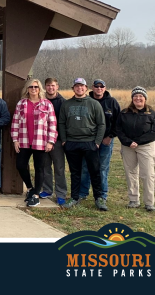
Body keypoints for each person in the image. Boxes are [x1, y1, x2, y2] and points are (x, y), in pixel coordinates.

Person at [58, 78, 107, 211]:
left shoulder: (94, 104)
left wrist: (97, 142)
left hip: (89, 142)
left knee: (94, 171)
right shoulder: (66, 105)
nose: (79, 88)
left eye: (82, 86)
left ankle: (99, 198)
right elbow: (61, 123)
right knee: (75, 172)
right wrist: (64, 140)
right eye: (77, 86)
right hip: (72, 143)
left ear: (86, 88)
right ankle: (75, 197)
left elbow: (101, 124)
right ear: (73, 88)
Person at [10, 79, 57, 207]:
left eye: (36, 87)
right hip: (24, 141)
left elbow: (52, 124)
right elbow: (15, 123)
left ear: (39, 88)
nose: (33, 89)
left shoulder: (47, 104)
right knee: (20, 165)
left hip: (40, 142)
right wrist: (15, 139)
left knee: (39, 168)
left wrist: (50, 141)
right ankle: (30, 188)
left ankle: (36, 195)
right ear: (27, 89)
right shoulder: (21, 103)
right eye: (31, 87)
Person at [115, 87, 155, 212]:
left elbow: (154, 132)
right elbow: (118, 129)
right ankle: (134, 199)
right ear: (132, 99)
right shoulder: (124, 113)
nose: (138, 99)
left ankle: (149, 202)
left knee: (148, 174)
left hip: (146, 146)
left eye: (141, 96)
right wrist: (128, 142)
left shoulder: (152, 113)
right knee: (131, 173)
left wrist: (138, 142)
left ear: (145, 98)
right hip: (128, 146)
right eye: (135, 96)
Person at [79, 79, 121, 201]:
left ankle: (102, 195)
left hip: (105, 141)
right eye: (96, 86)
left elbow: (118, 122)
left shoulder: (111, 102)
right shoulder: (86, 101)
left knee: (102, 168)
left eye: (101, 86)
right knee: (85, 167)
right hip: (89, 140)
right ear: (92, 87)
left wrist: (110, 136)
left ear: (105, 88)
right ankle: (82, 193)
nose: (99, 88)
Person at [39, 78, 68, 205]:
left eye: (53, 85)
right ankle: (47, 189)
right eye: (48, 86)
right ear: (45, 87)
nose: (51, 88)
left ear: (57, 87)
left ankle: (61, 193)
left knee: (59, 167)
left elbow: (66, 122)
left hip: (58, 140)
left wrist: (64, 139)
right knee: (45, 166)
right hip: (42, 139)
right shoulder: (40, 101)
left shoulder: (63, 103)